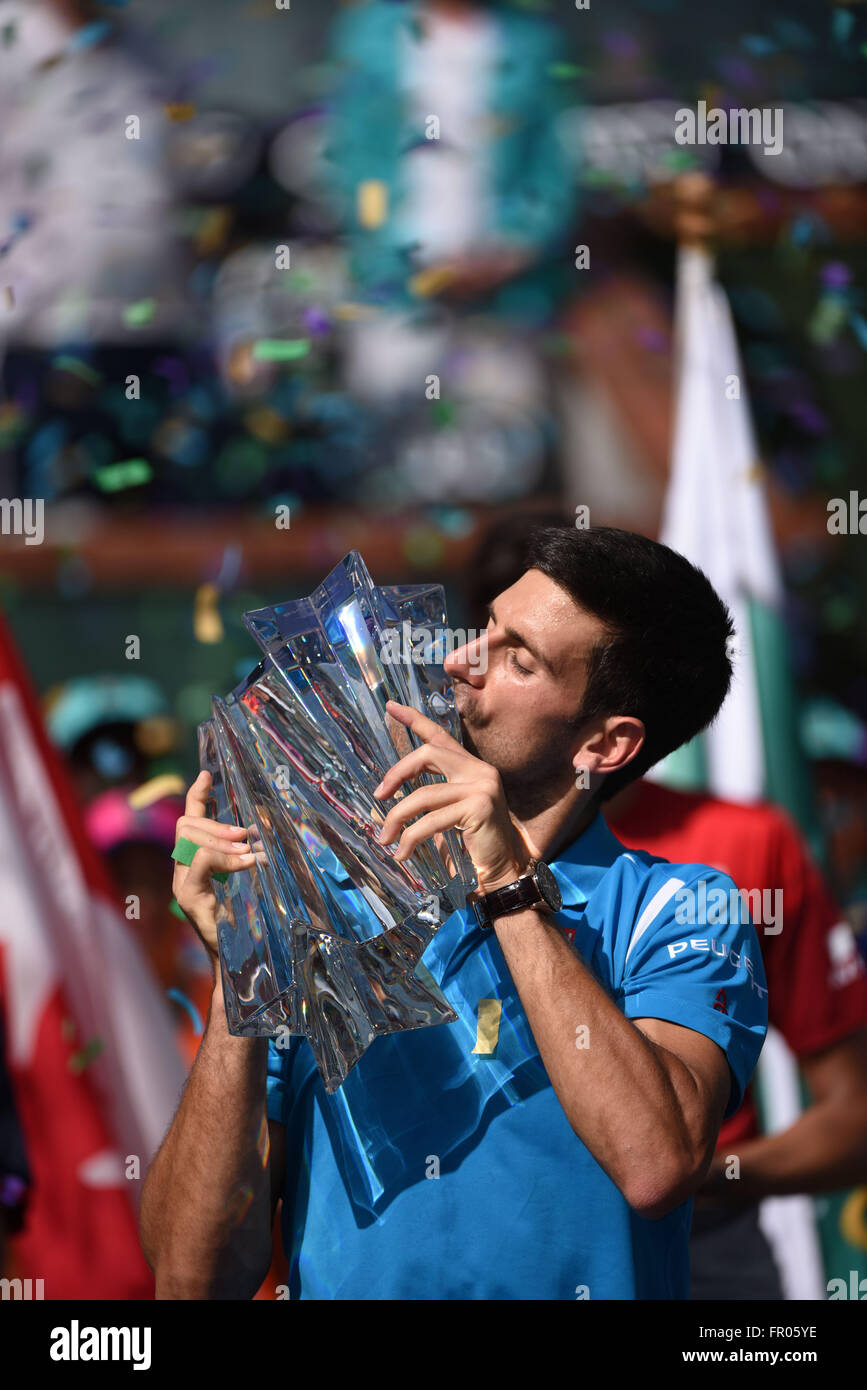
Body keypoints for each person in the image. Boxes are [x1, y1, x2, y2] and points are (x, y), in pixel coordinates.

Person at [141, 526, 768, 1300]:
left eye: (519, 659)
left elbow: (656, 1165)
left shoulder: (677, 909)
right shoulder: (323, 897)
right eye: (485, 632)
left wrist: (506, 883)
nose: (458, 663)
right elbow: (189, 1277)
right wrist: (243, 960)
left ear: (606, 744)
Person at [606, 776, 867, 1299]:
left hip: (707, 1247)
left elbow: (854, 1119)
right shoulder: (457, 844)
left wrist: (702, 1174)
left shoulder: (747, 840)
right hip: (515, 1239)